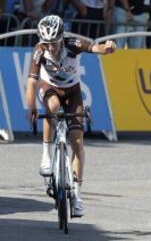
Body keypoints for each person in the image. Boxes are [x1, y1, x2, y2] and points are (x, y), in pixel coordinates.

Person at [25, 15, 116, 217]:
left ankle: (76, 196)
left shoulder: (73, 44)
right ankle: (46, 156)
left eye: (54, 43)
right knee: (54, 106)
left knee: (77, 142)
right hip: (49, 88)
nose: (50, 47)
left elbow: (95, 48)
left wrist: (107, 49)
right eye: (46, 43)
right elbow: (31, 82)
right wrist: (30, 106)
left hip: (73, 92)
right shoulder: (39, 51)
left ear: (62, 37)